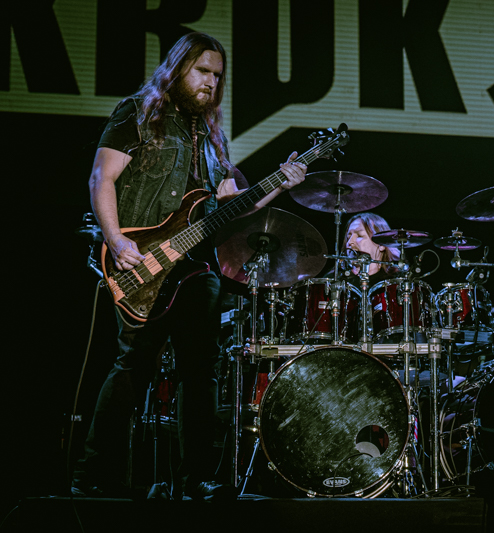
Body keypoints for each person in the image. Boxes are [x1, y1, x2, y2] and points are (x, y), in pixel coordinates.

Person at [73, 32, 307, 500]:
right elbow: (103, 177)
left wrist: (281, 183)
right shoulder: (138, 112)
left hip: (198, 267)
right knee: (133, 364)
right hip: (144, 258)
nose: (211, 84)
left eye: (218, 77)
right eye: (204, 72)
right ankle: (95, 475)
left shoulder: (212, 137)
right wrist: (117, 240)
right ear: (178, 68)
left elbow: (228, 208)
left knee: (200, 371)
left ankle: (198, 477)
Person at [342, 212, 400, 283]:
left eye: (359, 236)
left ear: (382, 244)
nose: (350, 242)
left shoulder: (396, 281)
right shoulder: (336, 279)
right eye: (348, 237)